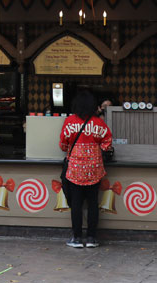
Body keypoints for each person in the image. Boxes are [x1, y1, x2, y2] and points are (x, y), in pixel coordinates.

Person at [59, 89, 113, 249]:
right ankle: (91, 238)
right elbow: (107, 143)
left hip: (75, 169)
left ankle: (76, 237)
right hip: (94, 169)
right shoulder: (99, 123)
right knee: (92, 203)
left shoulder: (69, 121)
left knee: (76, 204)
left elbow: (62, 145)